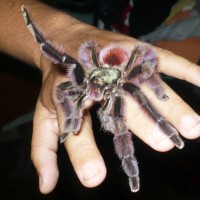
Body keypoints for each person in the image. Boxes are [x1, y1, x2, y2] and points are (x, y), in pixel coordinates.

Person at [0, 0, 200, 194]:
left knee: (128, 112)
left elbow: (142, 55)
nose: (95, 93)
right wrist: (71, 115)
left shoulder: (125, 77)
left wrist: (158, 91)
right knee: (62, 86)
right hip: (97, 71)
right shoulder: (85, 75)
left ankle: (131, 170)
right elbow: (66, 80)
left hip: (116, 73)